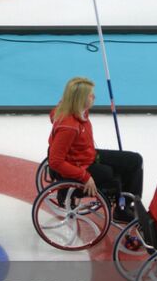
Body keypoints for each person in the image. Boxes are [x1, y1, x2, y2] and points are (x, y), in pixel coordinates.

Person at [47, 77, 143, 222]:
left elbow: (56, 111)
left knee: (134, 160)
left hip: (87, 154)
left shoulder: (74, 109)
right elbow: (55, 162)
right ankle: (121, 211)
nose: (94, 97)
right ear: (79, 100)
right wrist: (85, 176)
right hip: (81, 164)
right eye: (90, 95)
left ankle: (128, 204)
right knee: (112, 176)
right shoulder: (69, 127)